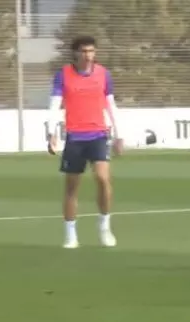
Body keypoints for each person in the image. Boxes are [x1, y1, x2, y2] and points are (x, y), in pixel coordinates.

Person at [47, 36, 124, 249]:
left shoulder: (103, 74)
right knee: (72, 188)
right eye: (83, 51)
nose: (88, 55)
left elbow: (111, 105)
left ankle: (104, 226)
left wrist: (120, 134)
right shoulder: (63, 75)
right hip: (74, 137)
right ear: (75, 53)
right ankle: (71, 235)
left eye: (91, 51)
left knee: (103, 179)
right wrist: (51, 132)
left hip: (98, 135)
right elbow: (54, 105)